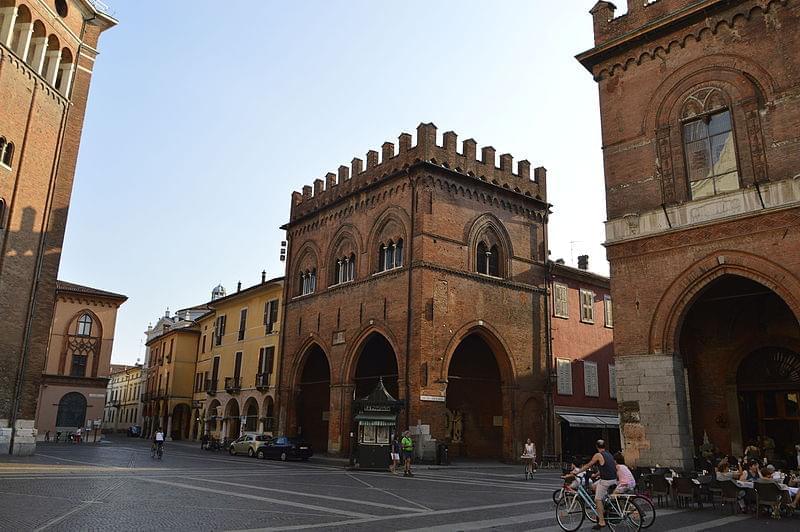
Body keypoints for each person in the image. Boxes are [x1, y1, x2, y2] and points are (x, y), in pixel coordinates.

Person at [572, 440, 617, 530]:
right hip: (613, 479)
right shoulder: (609, 454)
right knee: (593, 486)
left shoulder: (598, 455)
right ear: (605, 446)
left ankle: (601, 521)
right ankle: (603, 508)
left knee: (597, 499)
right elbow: (607, 467)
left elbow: (589, 465)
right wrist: (597, 475)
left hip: (606, 481)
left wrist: (578, 471)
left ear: (597, 447)